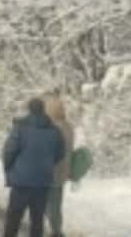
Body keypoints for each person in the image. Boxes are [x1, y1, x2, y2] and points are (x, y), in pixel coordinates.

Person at [1, 98, 65, 237]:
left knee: (13, 219)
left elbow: (9, 151)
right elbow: (61, 153)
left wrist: (9, 168)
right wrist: (47, 164)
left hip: (21, 181)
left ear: (29, 109)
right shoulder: (54, 130)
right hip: (42, 181)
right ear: (43, 109)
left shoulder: (20, 128)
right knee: (37, 221)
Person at [44, 94, 75, 237]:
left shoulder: (53, 128)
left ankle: (56, 232)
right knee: (55, 203)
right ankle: (56, 229)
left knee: (49, 204)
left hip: (51, 170)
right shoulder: (69, 127)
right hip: (63, 170)